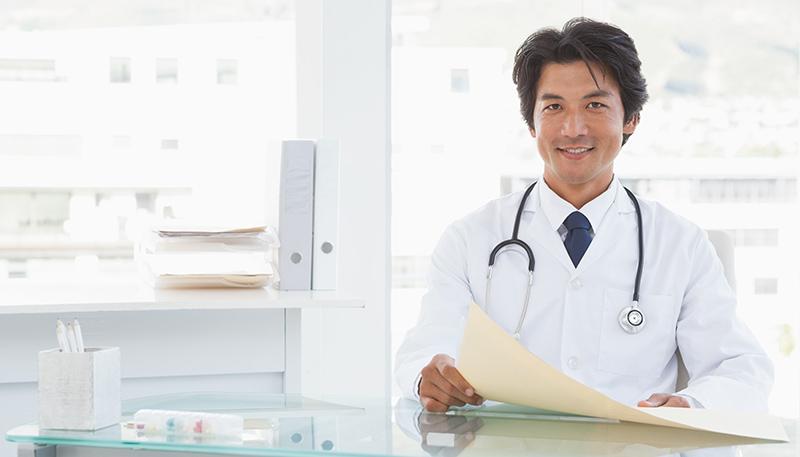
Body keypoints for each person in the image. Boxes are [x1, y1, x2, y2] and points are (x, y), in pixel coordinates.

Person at [394, 17, 773, 413]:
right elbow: (425, 348)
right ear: (532, 124)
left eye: (595, 105)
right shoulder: (470, 238)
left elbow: (740, 368)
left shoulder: (682, 245)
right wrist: (430, 377)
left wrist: (691, 403)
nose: (573, 128)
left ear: (631, 119)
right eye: (554, 107)